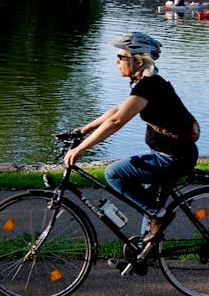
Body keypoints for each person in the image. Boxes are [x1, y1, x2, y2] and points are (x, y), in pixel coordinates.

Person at [64, 32, 199, 247]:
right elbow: (118, 110)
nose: (116, 61)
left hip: (171, 158)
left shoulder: (148, 87)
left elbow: (117, 121)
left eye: (121, 57)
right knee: (148, 203)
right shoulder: (148, 84)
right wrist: (85, 129)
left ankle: (158, 214)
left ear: (138, 60)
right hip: (176, 154)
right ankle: (144, 250)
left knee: (114, 173)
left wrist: (80, 149)